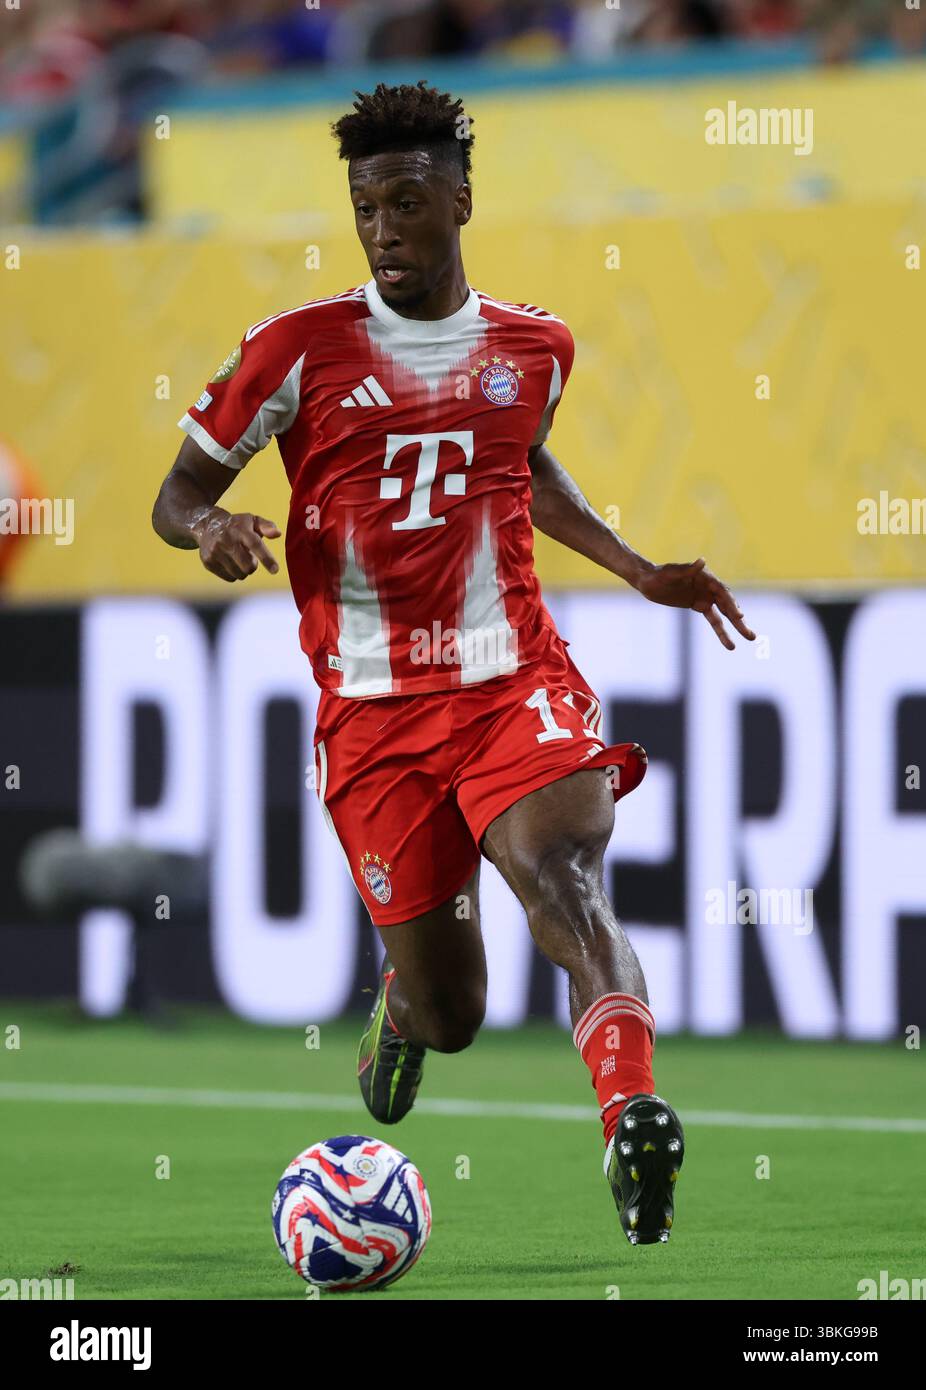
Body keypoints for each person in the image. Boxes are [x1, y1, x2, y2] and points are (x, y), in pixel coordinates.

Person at [152, 81, 755, 1247]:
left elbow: (518, 461)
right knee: (452, 1010)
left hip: (507, 678)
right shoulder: (297, 351)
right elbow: (178, 491)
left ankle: (628, 1109)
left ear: (461, 201)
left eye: (408, 202)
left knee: (564, 873)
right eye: (366, 205)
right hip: (373, 716)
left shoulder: (535, 344)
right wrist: (211, 527)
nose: (384, 228)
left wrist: (633, 567)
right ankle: (399, 1010)